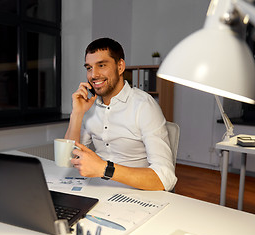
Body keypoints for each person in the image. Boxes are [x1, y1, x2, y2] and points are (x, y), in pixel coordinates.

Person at [64, 38, 177, 191]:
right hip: (97, 188)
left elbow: (165, 178)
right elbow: (68, 158)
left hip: (135, 192)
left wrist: (105, 168)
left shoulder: (144, 106)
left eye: (101, 65)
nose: (93, 74)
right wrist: (77, 114)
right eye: (89, 68)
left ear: (120, 66)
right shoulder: (88, 105)